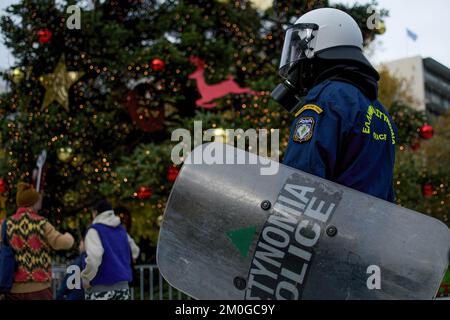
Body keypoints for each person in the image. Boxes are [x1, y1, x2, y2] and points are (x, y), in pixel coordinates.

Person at [272, 8, 397, 202]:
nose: (298, 60)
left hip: (326, 227)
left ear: (319, 45)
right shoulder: (381, 114)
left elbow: (300, 180)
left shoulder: (326, 98)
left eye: (301, 49)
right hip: (369, 229)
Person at [0, 182, 74, 300]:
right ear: (33, 202)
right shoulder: (41, 224)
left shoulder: (7, 224)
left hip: (13, 291)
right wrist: (69, 236)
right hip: (39, 289)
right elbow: (64, 243)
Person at [81, 199, 133, 300]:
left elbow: (94, 257)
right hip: (123, 289)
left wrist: (86, 278)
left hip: (100, 290)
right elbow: (135, 250)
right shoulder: (121, 230)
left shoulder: (94, 230)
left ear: (95, 213)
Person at [56, 235, 86, 300]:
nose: (79, 246)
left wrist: (59, 295)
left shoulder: (79, 261)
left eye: (80, 243)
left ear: (85, 243)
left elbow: (68, 283)